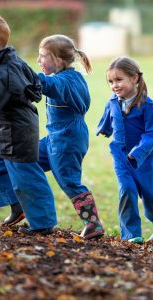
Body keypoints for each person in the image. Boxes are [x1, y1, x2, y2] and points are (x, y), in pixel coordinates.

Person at [0, 14, 57, 235]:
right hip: (6, 132)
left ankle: (43, 224)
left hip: (16, 133)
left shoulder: (1, 72)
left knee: (27, 178)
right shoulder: (10, 60)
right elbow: (35, 83)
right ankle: (17, 206)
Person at [35, 34, 104, 240]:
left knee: (69, 180)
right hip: (54, 138)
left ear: (58, 60)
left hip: (67, 138)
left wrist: (22, 73)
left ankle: (93, 224)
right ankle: (27, 206)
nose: (39, 60)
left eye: (43, 56)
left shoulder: (66, 81)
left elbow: (49, 86)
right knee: (26, 161)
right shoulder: (65, 77)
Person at [96, 56, 153, 243]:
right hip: (120, 156)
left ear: (134, 78)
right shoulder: (113, 101)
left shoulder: (146, 105)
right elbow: (108, 116)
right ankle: (132, 235)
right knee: (127, 190)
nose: (114, 85)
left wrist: (138, 152)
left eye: (119, 80)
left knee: (152, 194)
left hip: (144, 159)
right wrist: (104, 129)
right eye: (111, 82)